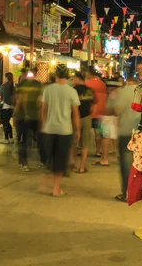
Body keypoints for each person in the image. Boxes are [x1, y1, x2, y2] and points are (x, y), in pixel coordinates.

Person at [40, 64, 81, 197]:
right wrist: (78, 130)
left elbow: (43, 110)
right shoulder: (71, 91)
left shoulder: (48, 90)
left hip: (49, 129)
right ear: (68, 75)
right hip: (65, 130)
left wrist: (44, 125)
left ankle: (46, 183)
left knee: (49, 157)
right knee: (60, 159)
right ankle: (56, 188)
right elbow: (75, 113)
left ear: (55, 75)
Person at [107, 77, 142, 202]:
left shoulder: (121, 92)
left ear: (127, 82)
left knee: (126, 165)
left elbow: (116, 110)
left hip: (126, 132)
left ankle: (127, 193)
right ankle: (141, 192)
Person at [17, 68, 44, 169]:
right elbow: (39, 102)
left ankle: (24, 163)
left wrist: (15, 114)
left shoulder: (21, 85)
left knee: (23, 140)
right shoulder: (38, 85)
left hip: (23, 116)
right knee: (39, 139)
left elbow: (19, 101)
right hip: (35, 116)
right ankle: (42, 161)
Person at [72, 72, 94, 174]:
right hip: (87, 118)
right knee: (85, 143)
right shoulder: (90, 91)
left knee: (73, 142)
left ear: (77, 79)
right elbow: (92, 103)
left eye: (73, 79)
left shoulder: (73, 91)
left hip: (74, 118)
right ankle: (82, 167)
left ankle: (74, 165)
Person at [86, 68, 108, 165]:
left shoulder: (88, 83)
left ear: (89, 74)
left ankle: (84, 150)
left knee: (87, 132)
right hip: (102, 109)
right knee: (98, 133)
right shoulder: (102, 83)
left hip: (91, 110)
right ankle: (98, 151)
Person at [0, 72, 16, 144]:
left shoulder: (3, 86)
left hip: (5, 107)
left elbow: (1, 97)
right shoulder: (13, 86)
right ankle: (11, 138)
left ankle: (6, 139)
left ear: (6, 78)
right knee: (7, 122)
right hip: (12, 107)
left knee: (5, 123)